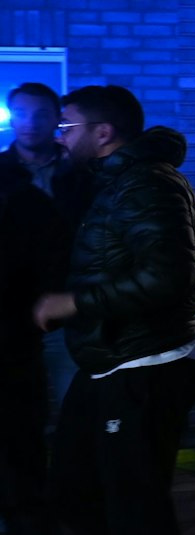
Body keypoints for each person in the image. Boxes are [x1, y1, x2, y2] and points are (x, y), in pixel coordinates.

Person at [33, 85, 195, 535]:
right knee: (71, 490)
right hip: (109, 362)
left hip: (148, 365)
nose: (60, 136)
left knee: (138, 503)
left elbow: (166, 279)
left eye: (67, 126)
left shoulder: (149, 185)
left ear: (102, 133)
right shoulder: (108, 181)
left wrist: (74, 302)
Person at [0, 139, 63, 535]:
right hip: (14, 360)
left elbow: (51, 285)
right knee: (22, 494)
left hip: (9, 366)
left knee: (22, 494)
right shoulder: (22, 200)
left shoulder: (21, 203)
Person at [1, 83, 92, 418]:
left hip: (71, 307)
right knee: (18, 417)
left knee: (77, 408)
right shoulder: (1, 173)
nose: (30, 122)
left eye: (41, 114)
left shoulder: (82, 174)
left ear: (57, 118)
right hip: (11, 313)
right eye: (21, 113)